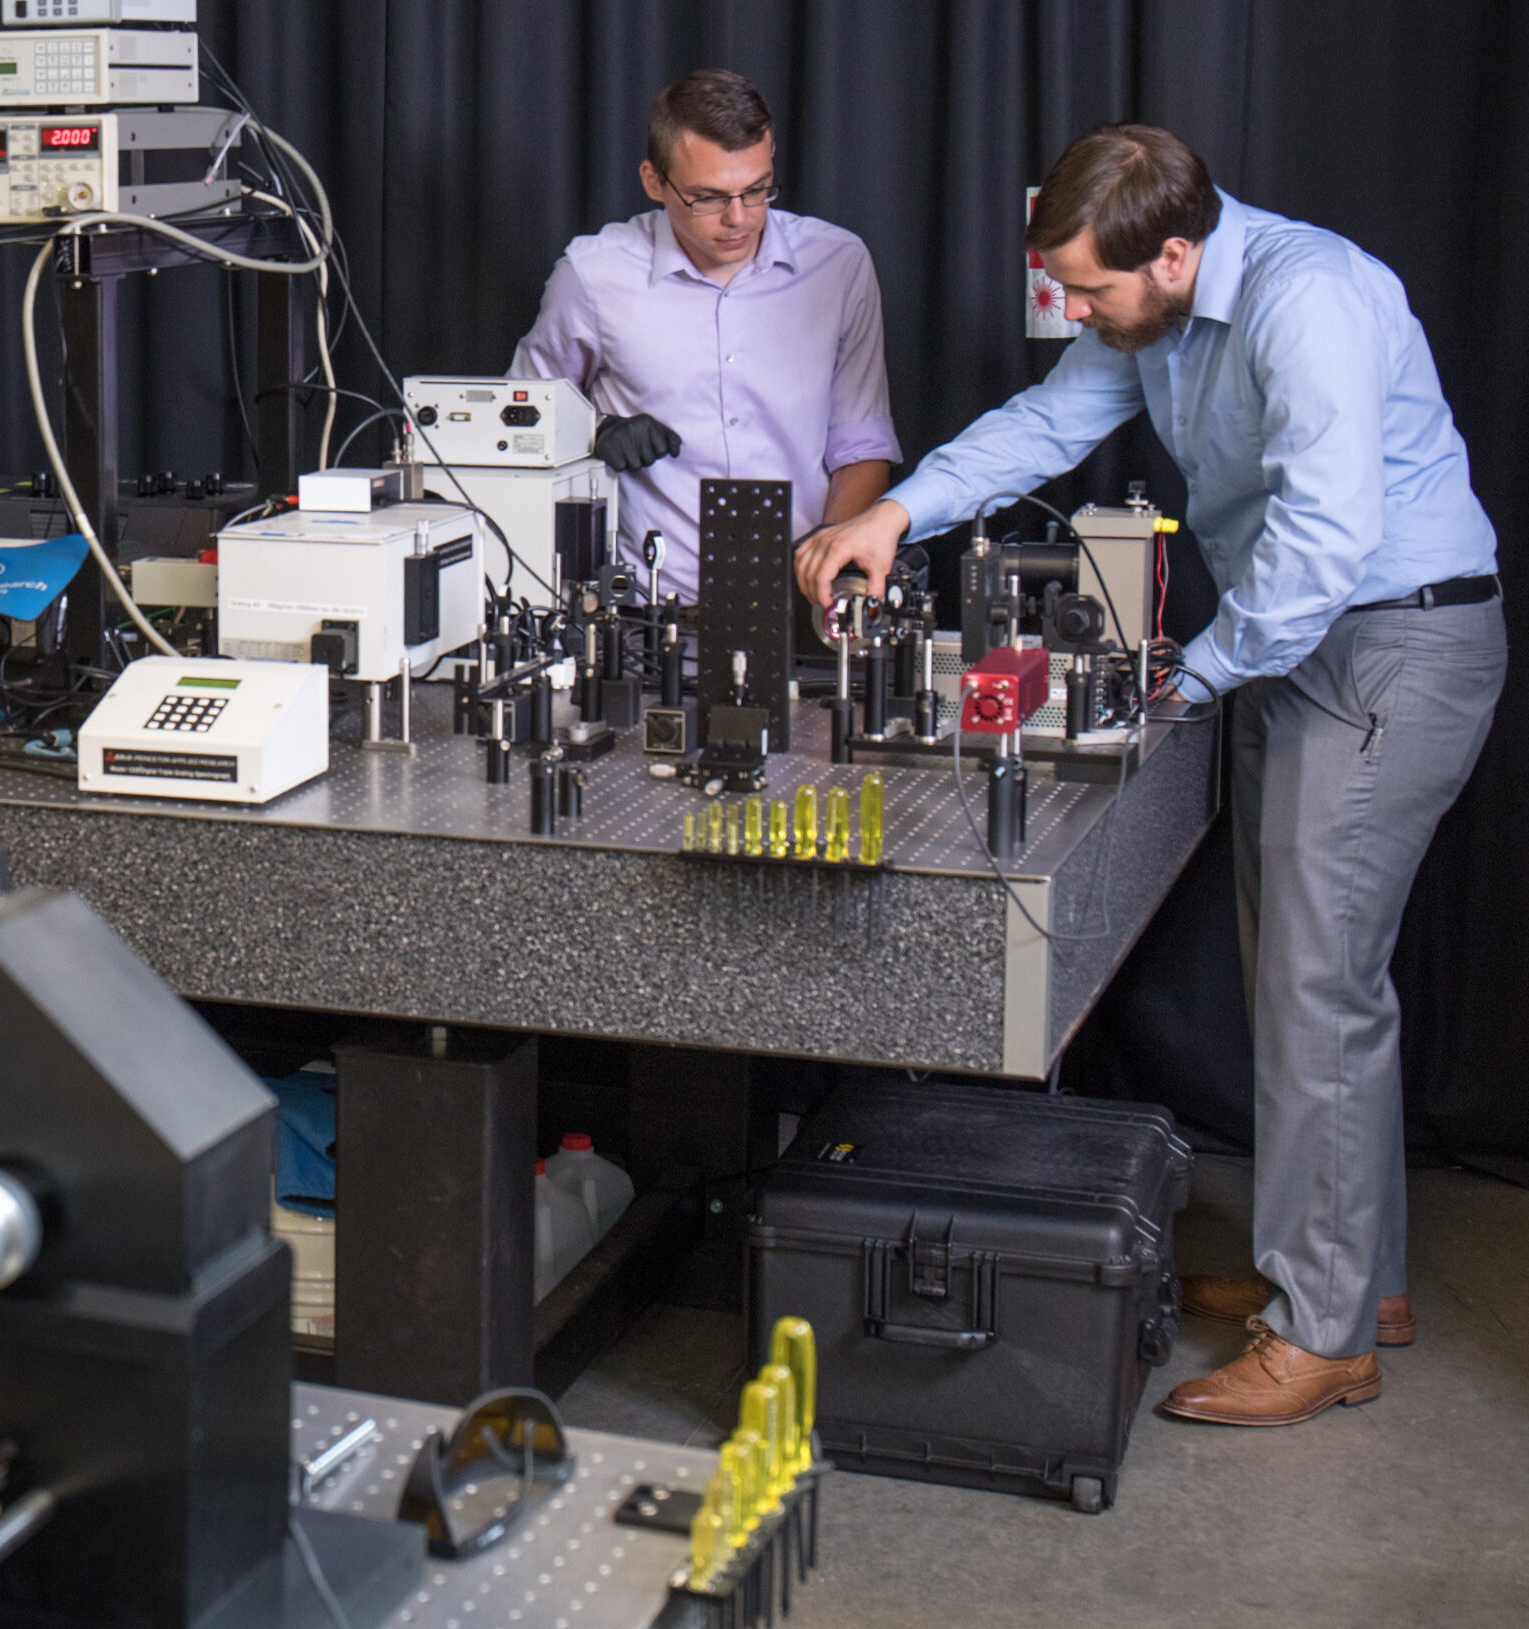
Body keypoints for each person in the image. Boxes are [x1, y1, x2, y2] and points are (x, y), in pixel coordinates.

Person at [798, 125, 1505, 1425]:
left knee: (1317, 987)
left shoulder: (1310, 302)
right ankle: (1358, 1284)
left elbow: (1327, 536)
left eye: (1089, 290)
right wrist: (895, 511)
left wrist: (1191, 676)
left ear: (1174, 253)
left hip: (1392, 645)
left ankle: (1326, 1337)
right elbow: (1046, 422)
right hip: (1301, 645)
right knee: (1303, 980)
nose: (1074, 312)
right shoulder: (1158, 317)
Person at [507, 68, 899, 600]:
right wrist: (593, 432)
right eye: (708, 197)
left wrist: (829, 569)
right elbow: (513, 430)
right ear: (654, 181)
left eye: (756, 190)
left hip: (801, 607)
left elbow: (862, 445)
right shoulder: (593, 276)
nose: (739, 218)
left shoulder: (838, 265)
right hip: (645, 615)